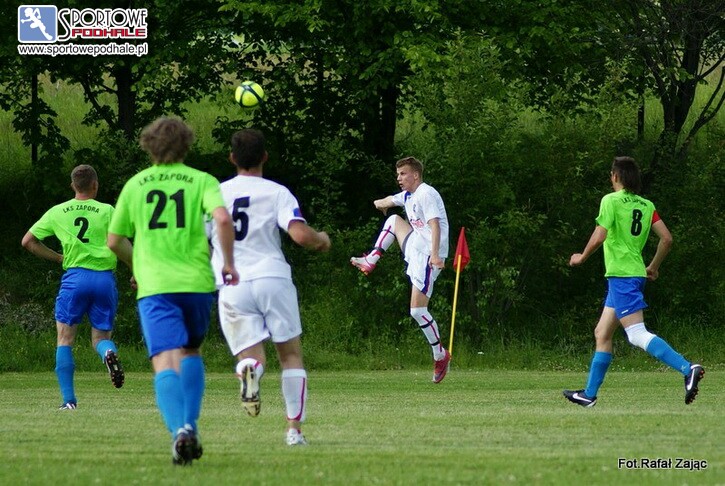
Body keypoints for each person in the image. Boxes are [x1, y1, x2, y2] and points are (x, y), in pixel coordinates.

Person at [107, 117, 238, 465]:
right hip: (196, 282)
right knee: (191, 350)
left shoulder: (136, 185)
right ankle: (190, 426)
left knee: (165, 359)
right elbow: (223, 219)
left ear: (148, 145)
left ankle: (180, 430)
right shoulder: (202, 180)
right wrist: (227, 263)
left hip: (156, 286)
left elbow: (114, 240)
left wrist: (137, 267)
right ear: (186, 144)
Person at [208, 129, 331, 446]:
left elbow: (198, 239)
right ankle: (293, 431)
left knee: (251, 355)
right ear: (265, 156)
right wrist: (321, 240)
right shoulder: (277, 192)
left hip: (232, 281)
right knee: (290, 356)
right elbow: (300, 235)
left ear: (232, 158)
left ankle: (250, 369)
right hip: (271, 277)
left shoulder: (215, 193)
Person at [563, 156, 704, 407]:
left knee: (636, 334)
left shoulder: (611, 200)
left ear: (616, 176)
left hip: (622, 276)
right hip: (633, 274)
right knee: (602, 332)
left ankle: (687, 368)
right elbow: (667, 239)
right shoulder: (647, 205)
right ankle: (589, 395)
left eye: (611, 174)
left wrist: (581, 257)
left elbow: (600, 235)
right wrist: (653, 267)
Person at [21, 164, 125, 410]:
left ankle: (69, 401)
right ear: (95, 185)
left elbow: (28, 241)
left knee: (65, 339)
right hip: (104, 279)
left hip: (75, 278)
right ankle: (107, 353)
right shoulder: (108, 210)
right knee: (100, 338)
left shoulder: (58, 211)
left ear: (72, 186)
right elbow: (121, 243)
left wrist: (58, 257)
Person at [350, 156, 451, 383]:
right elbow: (392, 200)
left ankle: (440, 355)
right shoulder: (408, 195)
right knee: (394, 220)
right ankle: (371, 259)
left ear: (415, 175)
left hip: (428, 254)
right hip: (416, 245)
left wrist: (435, 255)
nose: (399, 178)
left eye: (403, 174)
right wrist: (380, 203)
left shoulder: (425, 194)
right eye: (398, 174)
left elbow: (435, 225)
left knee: (417, 311)